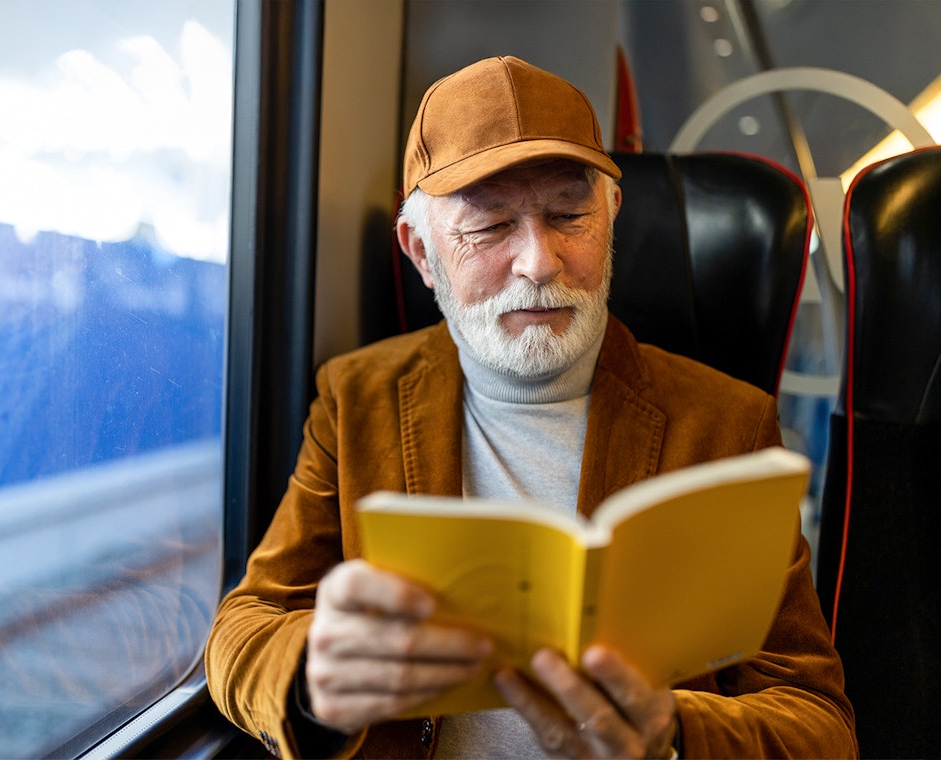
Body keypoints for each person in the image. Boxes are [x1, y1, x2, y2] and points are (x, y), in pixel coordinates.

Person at [205, 55, 857, 759]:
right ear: (422, 252)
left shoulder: (729, 423)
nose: (539, 262)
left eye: (568, 215)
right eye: (489, 228)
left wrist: (675, 733)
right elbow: (246, 624)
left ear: (611, 220)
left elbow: (816, 719)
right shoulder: (355, 399)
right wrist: (311, 678)